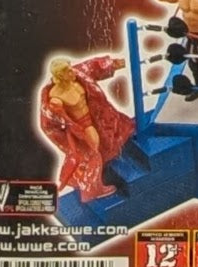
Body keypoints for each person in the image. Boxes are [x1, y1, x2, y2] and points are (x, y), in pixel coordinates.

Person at [38, 55, 133, 201]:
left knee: (121, 128)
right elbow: (48, 123)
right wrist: (68, 132)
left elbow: (91, 66)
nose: (72, 71)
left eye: (70, 68)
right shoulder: (55, 98)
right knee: (93, 153)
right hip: (84, 126)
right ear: (60, 76)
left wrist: (112, 64)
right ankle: (91, 189)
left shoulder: (77, 75)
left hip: (99, 116)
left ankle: (86, 182)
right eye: (68, 70)